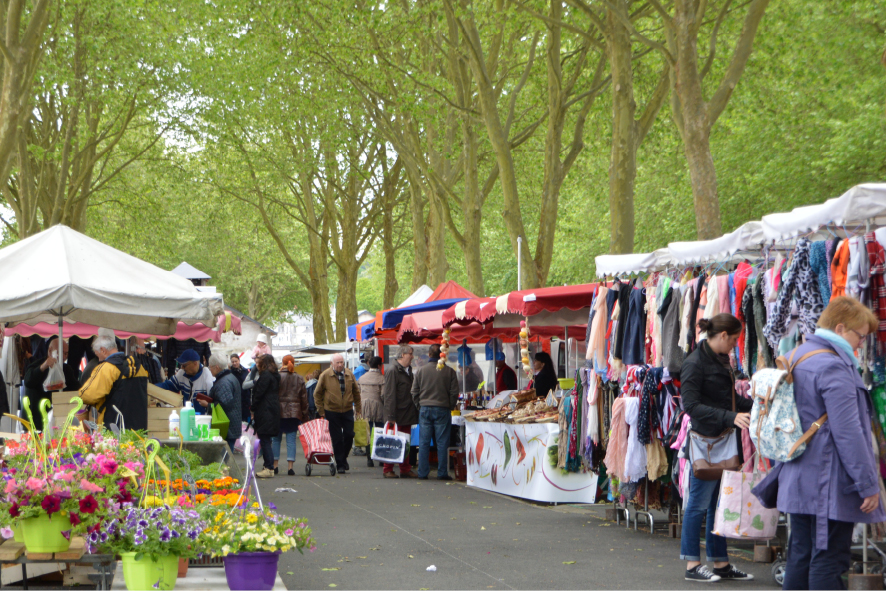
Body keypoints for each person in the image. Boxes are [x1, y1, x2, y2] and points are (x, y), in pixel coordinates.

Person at [754, 296, 885, 590]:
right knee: (828, 560)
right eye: (860, 336)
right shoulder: (834, 366)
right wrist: (867, 484)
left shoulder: (799, 354)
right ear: (840, 328)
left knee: (801, 554)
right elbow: (848, 432)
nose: (862, 344)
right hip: (828, 481)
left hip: (798, 474)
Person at [679, 313, 754, 583]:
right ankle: (691, 565)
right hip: (706, 445)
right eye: (734, 340)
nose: (735, 345)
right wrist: (730, 417)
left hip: (722, 442)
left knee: (717, 506)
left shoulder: (722, 361)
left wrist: (756, 406)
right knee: (698, 506)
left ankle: (721, 563)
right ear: (722, 336)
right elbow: (691, 406)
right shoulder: (695, 363)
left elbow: (728, 400)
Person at [78, 334, 149, 431]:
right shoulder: (140, 368)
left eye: (97, 355)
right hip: (139, 430)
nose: (98, 359)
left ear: (103, 350)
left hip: (113, 429)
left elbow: (87, 395)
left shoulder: (107, 368)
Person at [412, 344, 459, 481]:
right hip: (442, 409)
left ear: (429, 354)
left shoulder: (421, 371)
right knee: (442, 442)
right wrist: (449, 406)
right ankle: (442, 472)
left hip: (425, 408)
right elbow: (454, 393)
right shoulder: (449, 371)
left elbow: (414, 391)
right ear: (442, 354)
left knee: (424, 442)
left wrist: (419, 406)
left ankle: (422, 473)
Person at [314, 354, 362, 474]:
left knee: (349, 435)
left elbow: (356, 392)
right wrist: (321, 411)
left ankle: (343, 457)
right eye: (338, 363)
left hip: (347, 410)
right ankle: (340, 464)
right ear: (332, 364)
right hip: (331, 411)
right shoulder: (325, 375)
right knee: (337, 439)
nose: (340, 365)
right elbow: (317, 394)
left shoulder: (349, 374)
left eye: (342, 362)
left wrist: (358, 408)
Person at [23, 335, 79, 432]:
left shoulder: (66, 369)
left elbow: (76, 388)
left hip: (57, 419)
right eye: (61, 353)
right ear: (50, 350)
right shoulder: (37, 364)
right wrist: (43, 367)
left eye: (66, 354)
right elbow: (28, 381)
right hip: (35, 419)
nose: (64, 357)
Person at [381, 346, 418, 479]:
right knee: (392, 441)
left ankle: (405, 468)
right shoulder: (393, 370)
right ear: (402, 354)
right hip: (397, 413)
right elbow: (389, 394)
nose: (412, 356)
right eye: (410, 354)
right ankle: (388, 469)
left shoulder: (407, 371)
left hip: (406, 412)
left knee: (405, 442)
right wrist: (390, 415)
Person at [273, 355, 308, 476]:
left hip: (278, 412)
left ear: (282, 363)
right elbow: (304, 398)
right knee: (291, 440)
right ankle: (290, 467)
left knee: (276, 439)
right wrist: (304, 415)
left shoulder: (277, 377)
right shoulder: (299, 378)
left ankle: (275, 465)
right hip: (294, 413)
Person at [156, 349, 215, 415]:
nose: (182, 368)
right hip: (187, 418)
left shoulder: (208, 378)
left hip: (203, 420)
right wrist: (151, 388)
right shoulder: (182, 374)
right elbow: (168, 386)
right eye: (181, 365)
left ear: (195, 363)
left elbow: (215, 405)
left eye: (184, 365)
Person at [205, 353, 243, 453]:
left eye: (210, 367)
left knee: (224, 458)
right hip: (231, 424)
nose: (209, 369)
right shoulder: (230, 377)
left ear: (217, 367)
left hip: (226, 426)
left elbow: (225, 405)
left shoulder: (223, 382)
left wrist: (207, 405)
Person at [252, 354, 281, 478]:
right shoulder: (275, 375)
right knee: (267, 440)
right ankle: (268, 466)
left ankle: (269, 467)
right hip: (272, 409)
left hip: (265, 410)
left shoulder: (265, 376)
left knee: (264, 440)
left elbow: (259, 393)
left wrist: (252, 407)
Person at [358, 356, 385, 468]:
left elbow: (358, 393)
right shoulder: (382, 379)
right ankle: (380, 458)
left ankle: (369, 459)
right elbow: (383, 395)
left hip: (364, 406)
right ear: (379, 366)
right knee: (380, 432)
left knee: (367, 432)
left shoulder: (362, 378)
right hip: (378, 406)